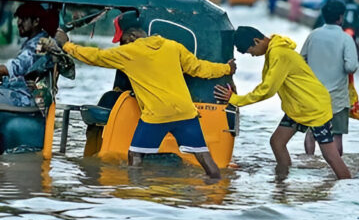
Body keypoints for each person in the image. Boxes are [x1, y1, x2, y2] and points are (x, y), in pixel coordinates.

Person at [49, 11, 236, 179]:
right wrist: (227, 68)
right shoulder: (172, 46)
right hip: (187, 112)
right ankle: (217, 190)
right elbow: (199, 68)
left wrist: (66, 45)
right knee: (204, 157)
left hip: (157, 115)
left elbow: (95, 56)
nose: (121, 45)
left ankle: (136, 193)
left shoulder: (130, 52)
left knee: (135, 155)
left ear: (132, 36)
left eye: (122, 40)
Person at [212, 26, 351, 180]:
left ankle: (347, 185)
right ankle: (282, 183)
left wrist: (235, 99)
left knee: (330, 156)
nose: (252, 55)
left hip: (313, 107)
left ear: (256, 41)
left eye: (250, 51)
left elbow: (267, 90)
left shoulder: (279, 53)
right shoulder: (274, 50)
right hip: (298, 108)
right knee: (277, 142)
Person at [0, 2, 51, 149]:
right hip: (18, 88)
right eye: (18, 18)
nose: (19, 23)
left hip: (26, 95)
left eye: (23, 19)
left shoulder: (38, 45)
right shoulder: (34, 41)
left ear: (36, 21)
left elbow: (11, 69)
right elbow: (11, 75)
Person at [300, 0, 358, 158]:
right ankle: (336, 169)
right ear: (341, 17)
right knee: (336, 135)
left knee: (312, 131)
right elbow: (351, 67)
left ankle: (309, 162)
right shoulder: (346, 38)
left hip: (313, 94)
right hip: (337, 97)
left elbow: (300, 61)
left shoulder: (313, 36)